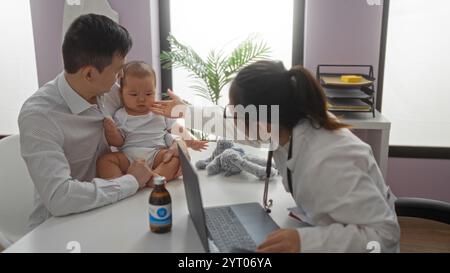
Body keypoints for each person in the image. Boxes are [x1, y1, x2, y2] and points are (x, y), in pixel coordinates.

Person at [150, 60, 400, 253]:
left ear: (261, 117)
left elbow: (384, 235)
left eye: (235, 111)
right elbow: (232, 127)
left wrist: (304, 241)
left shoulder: (331, 158)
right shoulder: (284, 126)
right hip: (321, 227)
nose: (232, 118)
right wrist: (185, 111)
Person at [18, 14, 154, 230]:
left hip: (108, 209)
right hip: (59, 227)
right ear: (89, 74)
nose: (121, 77)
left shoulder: (106, 91)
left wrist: (177, 113)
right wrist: (131, 181)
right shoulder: (39, 117)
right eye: (118, 70)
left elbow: (145, 107)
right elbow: (60, 198)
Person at [96, 61, 207, 182]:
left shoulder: (159, 111)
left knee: (175, 158)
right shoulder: (120, 115)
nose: (142, 99)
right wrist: (112, 132)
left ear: (155, 91)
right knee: (105, 161)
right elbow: (118, 142)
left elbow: (176, 128)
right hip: (129, 157)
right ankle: (119, 182)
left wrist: (191, 140)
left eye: (149, 93)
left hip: (157, 154)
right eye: (133, 94)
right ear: (121, 94)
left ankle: (155, 179)